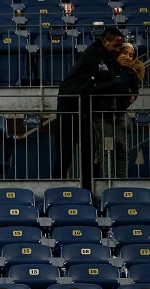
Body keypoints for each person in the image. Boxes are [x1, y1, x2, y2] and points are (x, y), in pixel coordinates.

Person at [54, 27, 125, 190]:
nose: (117, 50)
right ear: (105, 42)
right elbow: (103, 81)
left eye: (119, 47)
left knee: (90, 152)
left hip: (87, 108)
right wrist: (120, 80)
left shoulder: (109, 56)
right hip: (69, 105)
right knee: (65, 150)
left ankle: (89, 189)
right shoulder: (93, 54)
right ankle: (56, 186)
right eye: (114, 46)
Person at [91, 42, 143, 178]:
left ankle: (122, 183)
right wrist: (119, 83)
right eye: (125, 53)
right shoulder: (105, 68)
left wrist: (126, 99)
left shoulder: (131, 73)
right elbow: (98, 88)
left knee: (122, 151)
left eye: (131, 55)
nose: (128, 57)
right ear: (118, 53)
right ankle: (108, 184)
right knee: (107, 151)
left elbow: (135, 92)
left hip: (120, 115)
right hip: (103, 116)